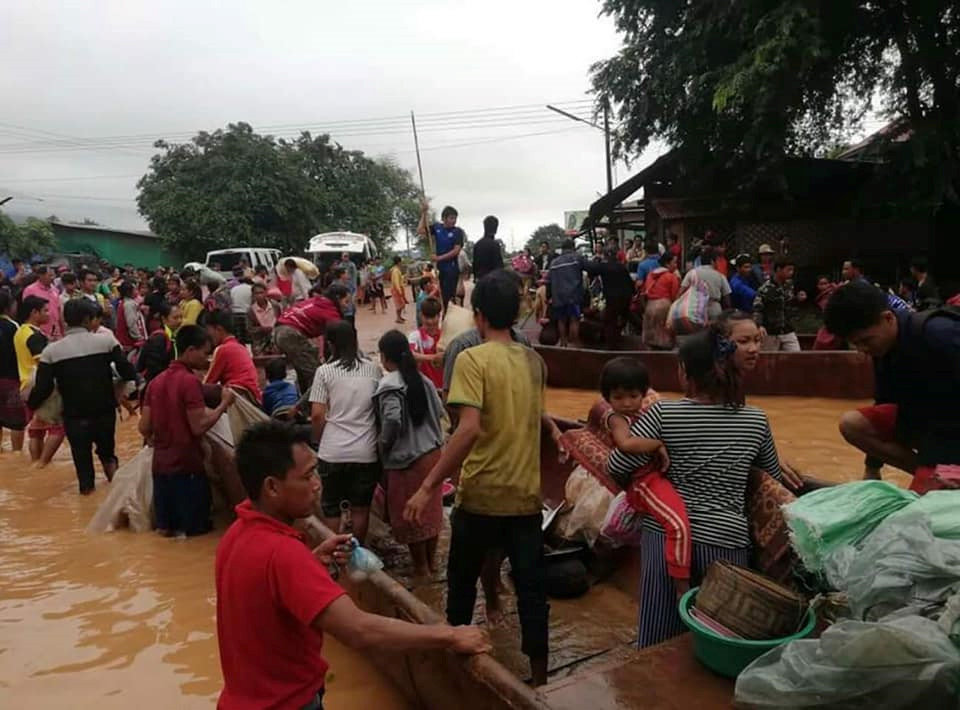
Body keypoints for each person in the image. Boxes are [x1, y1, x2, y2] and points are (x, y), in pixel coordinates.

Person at [215, 421, 490, 710]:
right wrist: (450, 635)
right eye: (307, 476)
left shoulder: (235, 535)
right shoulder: (284, 554)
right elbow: (359, 629)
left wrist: (310, 563)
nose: (317, 484)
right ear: (272, 487)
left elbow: (265, 603)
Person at [405, 270, 561, 686]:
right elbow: (530, 418)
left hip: (481, 496)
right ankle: (541, 680)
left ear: (477, 316)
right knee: (532, 592)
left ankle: (458, 670)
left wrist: (427, 485)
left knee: (459, 586)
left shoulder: (472, 359)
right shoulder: (535, 361)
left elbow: (468, 429)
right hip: (526, 497)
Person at [607, 328, 792, 648]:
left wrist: (654, 455)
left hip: (665, 539)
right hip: (728, 541)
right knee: (715, 636)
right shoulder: (756, 420)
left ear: (685, 374)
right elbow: (771, 476)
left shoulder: (663, 414)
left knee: (657, 638)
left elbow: (617, 467)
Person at [825, 281, 960, 492]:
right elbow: (884, 401)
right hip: (929, 423)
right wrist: (872, 469)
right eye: (856, 344)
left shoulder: (941, 335)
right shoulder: (882, 347)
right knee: (852, 424)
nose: (862, 350)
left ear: (888, 318)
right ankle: (928, 473)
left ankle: (939, 476)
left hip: (949, 429)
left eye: (865, 341)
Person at [601, 357, 691, 594]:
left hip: (653, 478)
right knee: (678, 524)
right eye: (618, 397)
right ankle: (681, 584)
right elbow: (625, 444)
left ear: (643, 394)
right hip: (643, 483)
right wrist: (657, 444)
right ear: (608, 399)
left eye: (633, 396)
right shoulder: (616, 418)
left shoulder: (647, 413)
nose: (627, 403)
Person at [29, 299, 136, 494]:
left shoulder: (51, 352)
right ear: (88, 319)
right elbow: (128, 371)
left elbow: (43, 388)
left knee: (82, 462)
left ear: (65, 320)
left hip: (74, 416)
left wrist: (31, 404)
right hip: (104, 411)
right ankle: (119, 497)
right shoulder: (107, 342)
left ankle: (87, 500)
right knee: (108, 456)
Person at [140, 325, 235, 536]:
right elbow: (198, 425)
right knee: (194, 535)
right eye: (205, 353)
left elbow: (143, 427)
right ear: (190, 350)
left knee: (165, 533)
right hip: (187, 470)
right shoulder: (189, 382)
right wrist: (223, 405)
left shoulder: (155, 383)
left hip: (161, 472)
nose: (207, 359)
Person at [375, 330, 446, 577]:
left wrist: (383, 444)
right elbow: (439, 413)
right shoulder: (423, 381)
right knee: (430, 511)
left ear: (384, 357)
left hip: (407, 460)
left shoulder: (389, 384)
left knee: (411, 514)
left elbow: (392, 419)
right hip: (433, 456)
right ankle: (432, 564)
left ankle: (421, 569)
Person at [310, 320, 381, 543]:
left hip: (332, 452)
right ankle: (355, 553)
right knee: (361, 508)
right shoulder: (373, 370)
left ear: (330, 344)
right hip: (365, 452)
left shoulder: (324, 372)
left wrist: (321, 441)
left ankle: (334, 555)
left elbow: (317, 415)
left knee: (331, 508)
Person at [15, 295, 64, 466]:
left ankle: (36, 463)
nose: (49, 314)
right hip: (40, 384)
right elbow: (44, 363)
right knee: (58, 426)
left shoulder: (20, 331)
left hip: (24, 384)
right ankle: (43, 463)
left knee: (36, 428)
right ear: (34, 313)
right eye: (45, 310)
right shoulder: (35, 336)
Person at [273, 284, 346, 394]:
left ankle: (304, 400)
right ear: (338, 298)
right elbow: (339, 340)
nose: (347, 306)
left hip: (280, 330)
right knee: (316, 375)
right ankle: (311, 406)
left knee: (303, 370)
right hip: (291, 333)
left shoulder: (318, 301)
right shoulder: (331, 312)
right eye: (346, 301)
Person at [204, 310, 262, 404]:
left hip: (240, 397)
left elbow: (209, 382)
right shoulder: (241, 347)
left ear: (218, 329)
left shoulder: (223, 349)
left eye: (208, 330)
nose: (208, 335)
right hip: (253, 397)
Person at [584, 246, 634, 349]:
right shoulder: (621, 267)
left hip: (613, 298)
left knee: (610, 321)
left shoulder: (604, 266)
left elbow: (590, 270)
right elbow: (630, 283)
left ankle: (611, 345)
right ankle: (619, 337)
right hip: (625, 297)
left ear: (605, 256)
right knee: (625, 317)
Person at [753, 257, 806, 352]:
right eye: (788, 269)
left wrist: (798, 299)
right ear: (779, 269)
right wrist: (759, 325)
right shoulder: (766, 288)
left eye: (792, 270)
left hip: (788, 329)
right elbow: (758, 309)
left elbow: (791, 303)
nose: (791, 272)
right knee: (769, 361)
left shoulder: (790, 285)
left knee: (796, 358)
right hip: (771, 332)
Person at [418, 203, 464, 309]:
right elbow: (420, 231)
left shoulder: (457, 232)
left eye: (455, 218)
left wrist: (439, 258)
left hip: (451, 270)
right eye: (451, 218)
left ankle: (451, 317)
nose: (454, 221)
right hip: (440, 270)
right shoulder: (437, 227)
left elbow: (456, 251)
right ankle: (445, 316)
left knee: (449, 298)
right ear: (444, 218)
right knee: (443, 298)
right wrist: (424, 213)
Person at [0, 289, 26, 453]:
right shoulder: (14, 327)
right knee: (17, 421)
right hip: (10, 379)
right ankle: (17, 454)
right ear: (8, 307)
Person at [546, 239, 585, 348]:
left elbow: (548, 280)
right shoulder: (576, 258)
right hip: (573, 295)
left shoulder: (553, 262)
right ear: (572, 247)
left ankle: (563, 343)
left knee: (561, 320)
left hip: (558, 297)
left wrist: (548, 296)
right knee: (574, 319)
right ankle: (575, 345)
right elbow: (589, 267)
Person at [679, 246, 732, 323]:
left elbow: (681, 292)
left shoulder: (691, 273)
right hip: (714, 309)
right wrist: (728, 310)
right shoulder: (720, 276)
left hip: (695, 308)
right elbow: (727, 297)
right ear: (712, 261)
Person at [641, 252, 682, 350]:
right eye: (675, 263)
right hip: (664, 307)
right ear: (667, 264)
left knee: (651, 339)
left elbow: (645, 290)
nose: (676, 266)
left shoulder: (650, 275)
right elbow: (674, 296)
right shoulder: (672, 277)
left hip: (650, 306)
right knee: (665, 338)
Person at [139, 302, 182, 385]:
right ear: (164, 319)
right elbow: (154, 369)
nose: (179, 321)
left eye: (181, 317)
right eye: (175, 318)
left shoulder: (173, 336)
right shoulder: (159, 339)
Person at [408, 297, 444, 390]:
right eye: (427, 318)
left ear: (439, 316)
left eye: (433, 318)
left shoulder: (445, 335)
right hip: (426, 389)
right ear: (421, 316)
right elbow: (410, 355)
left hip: (445, 387)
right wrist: (434, 357)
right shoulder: (415, 336)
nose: (430, 321)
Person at [22, 265, 64, 340]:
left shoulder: (55, 290)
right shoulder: (30, 290)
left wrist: (62, 329)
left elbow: (59, 310)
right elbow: (27, 313)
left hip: (56, 332)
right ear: (41, 276)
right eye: (50, 275)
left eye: (53, 275)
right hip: (39, 333)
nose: (53, 278)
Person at [246, 282, 281, 355]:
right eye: (256, 293)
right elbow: (249, 329)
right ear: (253, 295)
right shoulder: (251, 311)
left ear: (266, 293)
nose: (259, 295)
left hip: (275, 341)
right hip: (260, 343)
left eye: (261, 292)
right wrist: (262, 329)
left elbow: (281, 321)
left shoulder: (275, 306)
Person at [472, 216, 503, 282]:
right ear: (496, 229)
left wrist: (475, 277)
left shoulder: (478, 244)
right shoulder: (495, 245)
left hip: (480, 279)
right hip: (492, 281)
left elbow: (474, 263)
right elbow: (498, 266)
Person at [229, 273, 253, 343]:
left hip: (235, 313)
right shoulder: (251, 288)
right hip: (246, 313)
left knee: (238, 337)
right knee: (248, 337)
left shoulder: (233, 289)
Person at [389, 256, 408, 324]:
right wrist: (399, 291)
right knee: (399, 304)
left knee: (401, 304)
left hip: (398, 288)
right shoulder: (395, 271)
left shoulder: (396, 270)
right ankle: (398, 318)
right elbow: (396, 282)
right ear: (399, 262)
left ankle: (399, 317)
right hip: (397, 289)